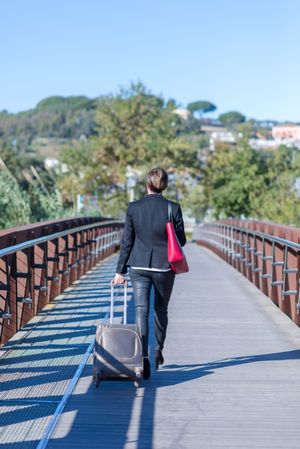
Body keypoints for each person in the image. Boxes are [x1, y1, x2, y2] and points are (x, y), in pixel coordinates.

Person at [114, 167, 186, 379]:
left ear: (147, 184)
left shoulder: (134, 208)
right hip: (164, 267)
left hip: (138, 266)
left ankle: (142, 356)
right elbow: (181, 241)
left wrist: (120, 270)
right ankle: (158, 351)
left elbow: (127, 241)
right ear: (164, 185)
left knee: (140, 311)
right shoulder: (173, 208)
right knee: (160, 310)